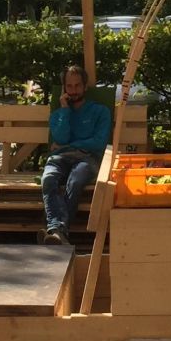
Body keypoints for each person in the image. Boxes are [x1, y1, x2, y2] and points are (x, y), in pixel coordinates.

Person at [40, 64, 111, 245]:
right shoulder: (58, 114)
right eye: (69, 86)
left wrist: (69, 144)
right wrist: (64, 109)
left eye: (77, 85)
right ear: (64, 88)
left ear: (85, 86)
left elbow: (99, 142)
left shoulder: (100, 111)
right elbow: (60, 136)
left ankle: (56, 228)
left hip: (87, 157)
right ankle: (59, 231)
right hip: (59, 158)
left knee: (76, 180)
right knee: (48, 179)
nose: (73, 91)